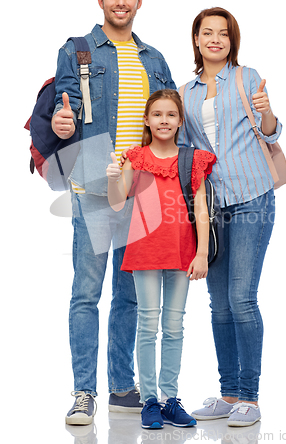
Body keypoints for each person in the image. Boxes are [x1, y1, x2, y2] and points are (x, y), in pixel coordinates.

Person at [51, 0, 176, 425]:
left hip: (141, 190)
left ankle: (122, 387)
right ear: (100, 0)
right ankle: (85, 392)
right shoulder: (77, 51)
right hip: (93, 185)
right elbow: (67, 110)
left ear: (140, 1)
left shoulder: (155, 59)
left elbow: (167, 122)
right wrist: (62, 124)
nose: (120, 1)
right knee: (86, 292)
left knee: (129, 295)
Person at [177, 7, 282, 427]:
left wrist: (267, 110)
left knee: (241, 299)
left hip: (253, 196)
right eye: (208, 33)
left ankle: (251, 399)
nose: (215, 39)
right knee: (218, 304)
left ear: (231, 40)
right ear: (197, 40)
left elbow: (271, 131)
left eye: (223, 33)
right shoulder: (185, 92)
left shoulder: (247, 78)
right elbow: (186, 150)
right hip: (212, 205)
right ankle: (228, 393)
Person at [106, 89, 216, 429]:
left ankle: (169, 399)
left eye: (170, 114)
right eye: (157, 115)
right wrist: (113, 177)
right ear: (147, 120)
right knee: (148, 325)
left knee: (174, 326)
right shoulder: (135, 158)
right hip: (145, 252)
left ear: (180, 121)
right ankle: (150, 400)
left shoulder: (191, 159)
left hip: (183, 253)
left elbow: (201, 207)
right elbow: (115, 202)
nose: (164, 120)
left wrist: (201, 253)